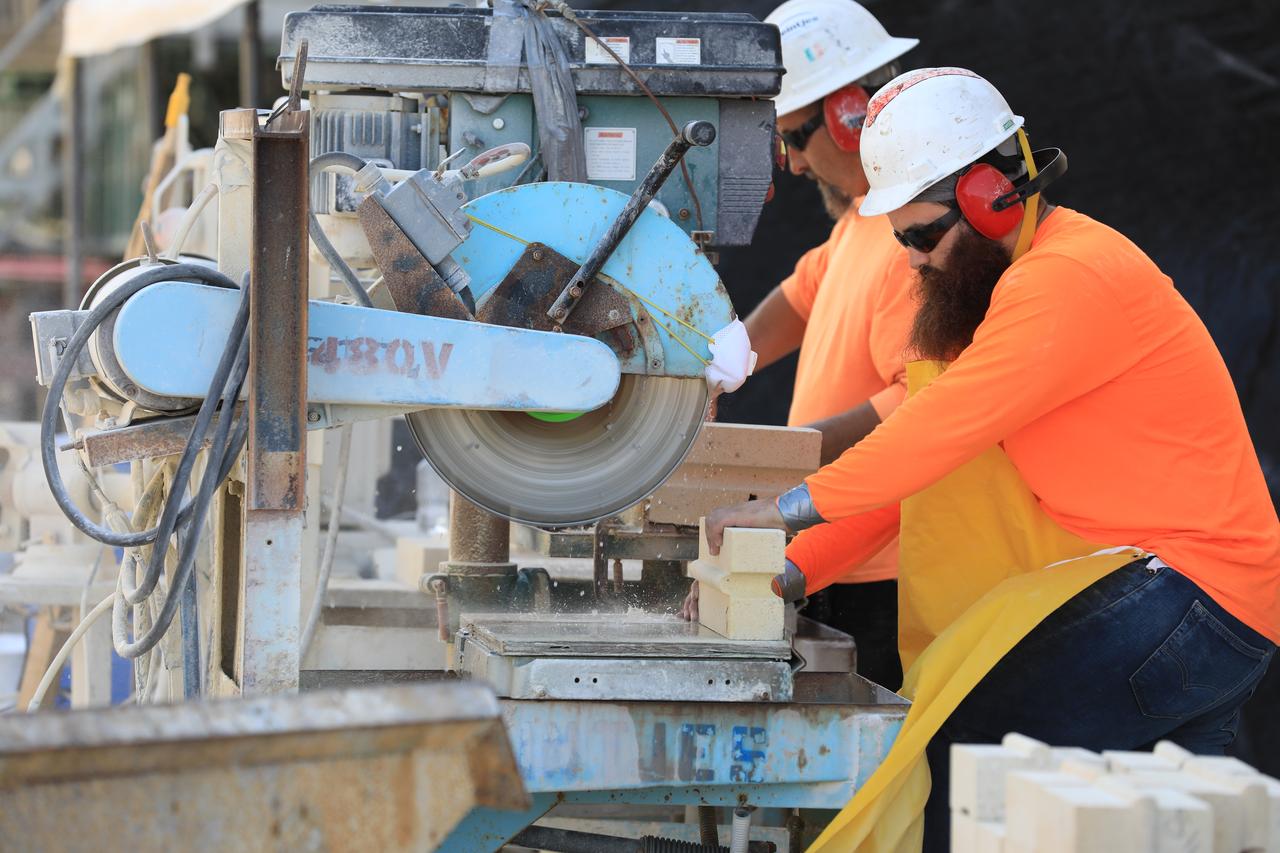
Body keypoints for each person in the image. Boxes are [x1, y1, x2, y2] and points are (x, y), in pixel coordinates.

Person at [701, 67, 1280, 850]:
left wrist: (783, 510)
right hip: (1203, 599)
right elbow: (930, 473)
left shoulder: (1065, 279)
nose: (911, 262)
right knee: (1160, 832)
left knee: (978, 753)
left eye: (919, 236)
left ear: (988, 199)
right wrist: (792, 568)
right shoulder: (1002, 295)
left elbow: (931, 431)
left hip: (1193, 593)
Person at [687, 0, 920, 689]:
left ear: (851, 116)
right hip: (835, 546)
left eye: (792, 139)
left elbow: (918, 404)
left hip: (888, 567)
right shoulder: (861, 224)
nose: (788, 165)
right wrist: (714, 367)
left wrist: (786, 457)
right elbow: (801, 295)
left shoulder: (918, 240)